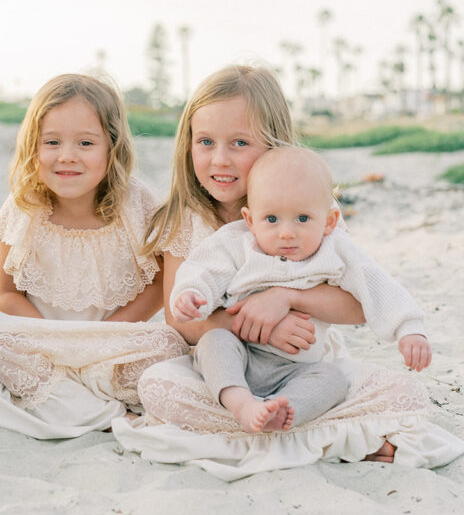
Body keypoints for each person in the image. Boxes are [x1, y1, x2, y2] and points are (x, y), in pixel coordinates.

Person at [113, 65, 464, 479]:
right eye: (205, 142)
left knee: (390, 390)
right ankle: (281, 423)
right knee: (159, 384)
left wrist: (287, 298)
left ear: (273, 144)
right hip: (229, 368)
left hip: (305, 366)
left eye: (240, 142)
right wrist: (254, 326)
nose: (220, 159)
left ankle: (276, 423)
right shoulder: (187, 220)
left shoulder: (312, 215)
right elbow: (180, 320)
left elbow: (358, 303)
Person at [0, 74, 188, 438]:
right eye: (52, 142)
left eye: (86, 143)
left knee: (169, 345)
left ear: (112, 147)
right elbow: (7, 295)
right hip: (45, 344)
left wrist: (105, 336)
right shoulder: (24, 206)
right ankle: (105, 410)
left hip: (112, 345)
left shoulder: (136, 203)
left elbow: (160, 282)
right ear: (33, 147)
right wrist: (56, 340)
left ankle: (74, 401)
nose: (67, 156)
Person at [171, 145, 430, 434]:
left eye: (303, 219)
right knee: (214, 342)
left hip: (299, 369)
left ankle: (282, 412)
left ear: (329, 221)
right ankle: (242, 404)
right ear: (250, 220)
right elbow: (204, 269)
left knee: (331, 379)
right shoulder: (237, 243)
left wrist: (409, 328)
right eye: (271, 219)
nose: (286, 233)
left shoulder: (335, 250)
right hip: (243, 355)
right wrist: (192, 293)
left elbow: (375, 282)